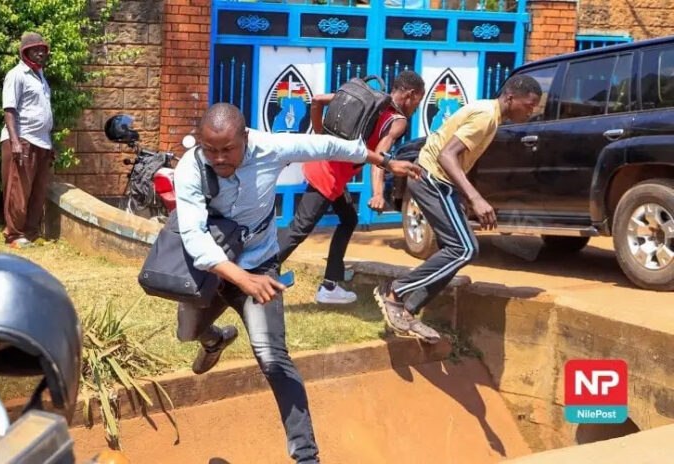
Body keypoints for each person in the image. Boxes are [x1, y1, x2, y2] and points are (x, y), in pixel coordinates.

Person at [174, 103, 420, 463]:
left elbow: (328, 147)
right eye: (210, 149)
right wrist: (241, 278)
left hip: (261, 265)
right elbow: (193, 237)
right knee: (188, 332)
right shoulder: (191, 168)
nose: (219, 158)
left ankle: (306, 456)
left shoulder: (270, 148)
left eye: (228, 149)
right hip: (211, 273)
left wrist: (382, 161)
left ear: (245, 138)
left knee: (273, 359)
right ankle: (216, 340)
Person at [374, 74, 542, 343]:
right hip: (432, 179)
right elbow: (447, 155)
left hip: (439, 182)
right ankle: (395, 292)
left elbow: (460, 157)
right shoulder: (486, 116)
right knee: (464, 248)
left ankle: (406, 310)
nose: (531, 111)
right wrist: (475, 197)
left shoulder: (491, 115)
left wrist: (463, 196)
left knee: (457, 250)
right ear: (510, 98)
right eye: (529, 104)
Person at [277, 71, 426, 304]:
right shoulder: (397, 121)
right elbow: (379, 156)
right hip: (329, 176)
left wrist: (320, 139)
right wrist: (378, 193)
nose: (417, 106)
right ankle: (259, 274)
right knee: (300, 228)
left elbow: (317, 100)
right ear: (411, 94)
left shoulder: (368, 99)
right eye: (419, 100)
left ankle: (329, 284)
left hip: (324, 166)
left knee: (348, 219)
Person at [0, 32, 55, 249]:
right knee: (18, 191)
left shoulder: (41, 76)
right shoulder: (17, 74)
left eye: (43, 49)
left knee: (38, 191)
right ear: (25, 52)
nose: (40, 52)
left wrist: (50, 143)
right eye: (35, 49)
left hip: (41, 142)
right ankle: (14, 235)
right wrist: (15, 141)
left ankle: (31, 233)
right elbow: (9, 109)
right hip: (22, 139)